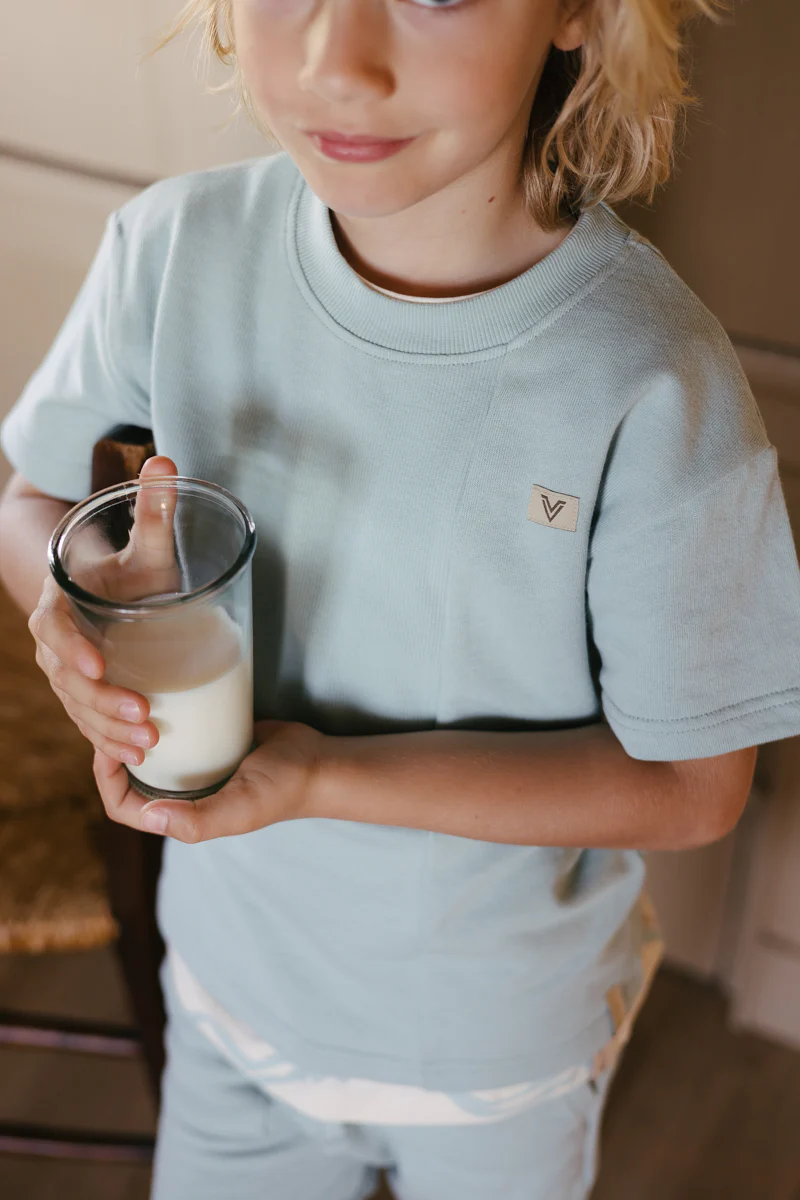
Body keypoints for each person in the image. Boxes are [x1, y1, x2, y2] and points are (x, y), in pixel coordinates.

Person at [1, 0, 800, 1195]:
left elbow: (692, 789)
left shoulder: (651, 378)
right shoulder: (174, 248)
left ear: (577, 12)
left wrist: (320, 775)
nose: (338, 63)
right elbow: (29, 498)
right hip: (224, 1001)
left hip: (498, 1059)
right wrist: (80, 622)